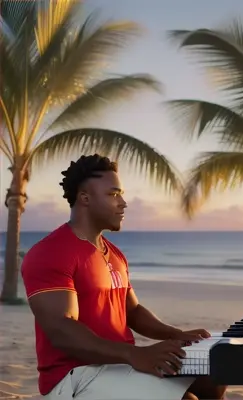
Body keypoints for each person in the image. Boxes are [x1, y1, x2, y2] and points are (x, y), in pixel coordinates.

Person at [21, 154, 227, 400]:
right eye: (113, 194)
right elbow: (62, 330)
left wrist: (176, 334)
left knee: (213, 380)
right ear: (85, 198)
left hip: (120, 365)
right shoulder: (51, 252)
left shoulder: (114, 254)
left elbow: (133, 310)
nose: (123, 203)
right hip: (74, 377)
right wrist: (135, 354)